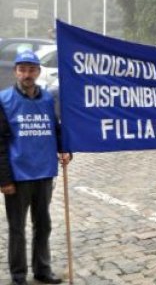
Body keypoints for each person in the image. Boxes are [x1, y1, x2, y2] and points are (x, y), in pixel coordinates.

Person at [0, 50, 70, 285]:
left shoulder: (49, 99)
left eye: (31, 69)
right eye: (22, 69)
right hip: (18, 176)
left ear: (39, 72)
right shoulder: (4, 100)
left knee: (44, 225)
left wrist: (65, 148)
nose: (27, 74)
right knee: (17, 228)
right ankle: (18, 276)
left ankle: (42, 269)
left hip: (44, 172)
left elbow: (56, 128)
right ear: (16, 72)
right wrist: (4, 179)